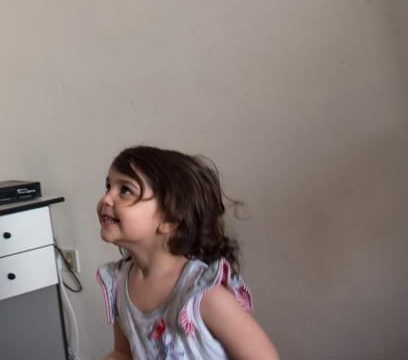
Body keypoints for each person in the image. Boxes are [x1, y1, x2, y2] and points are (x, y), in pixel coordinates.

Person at [96, 146, 278, 360]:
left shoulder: (204, 294)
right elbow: (122, 353)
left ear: (170, 219)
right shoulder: (119, 284)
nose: (107, 198)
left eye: (125, 190)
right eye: (108, 187)